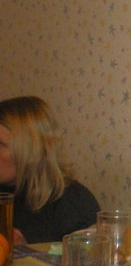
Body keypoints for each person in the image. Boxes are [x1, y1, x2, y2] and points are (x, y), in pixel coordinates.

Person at [0, 96, 100, 244]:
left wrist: (27, 250)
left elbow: (91, 256)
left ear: (31, 149)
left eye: (0, 144)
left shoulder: (72, 204)